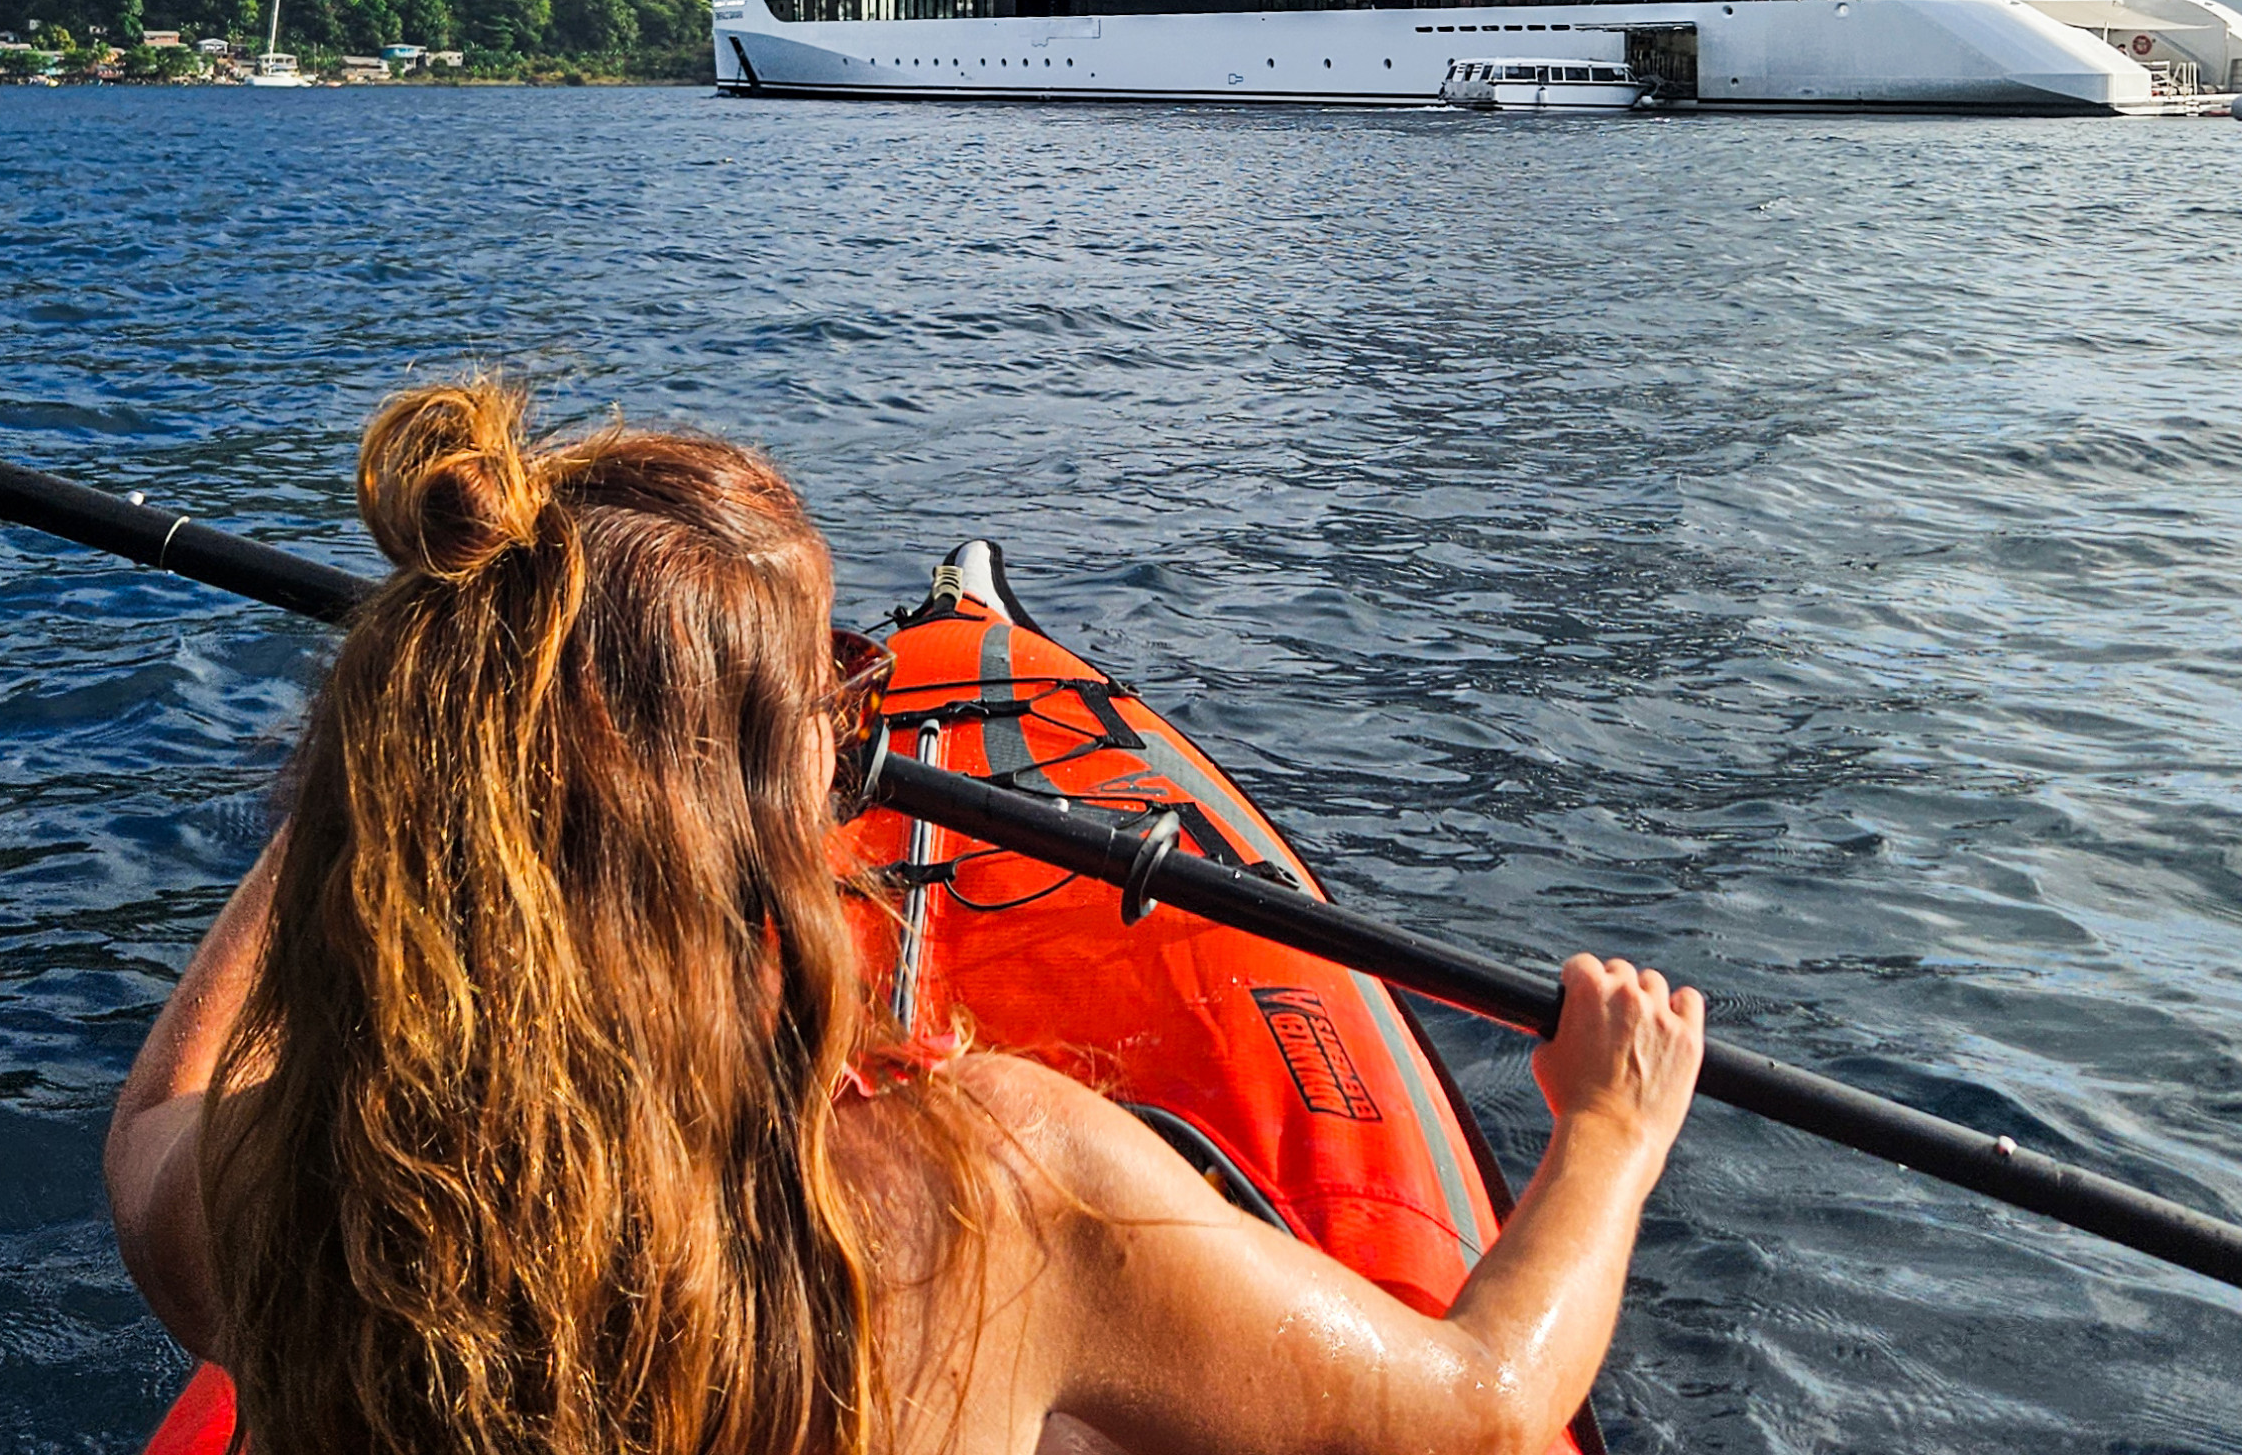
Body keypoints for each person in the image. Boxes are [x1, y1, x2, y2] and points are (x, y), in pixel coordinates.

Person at [106, 381, 1705, 1455]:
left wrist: (386, 785)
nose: (862, 715)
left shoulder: (292, 1192)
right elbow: (1486, 1405)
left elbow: (152, 1127)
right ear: (744, 795)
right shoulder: (1001, 1188)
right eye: (838, 685)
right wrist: (1612, 1134)